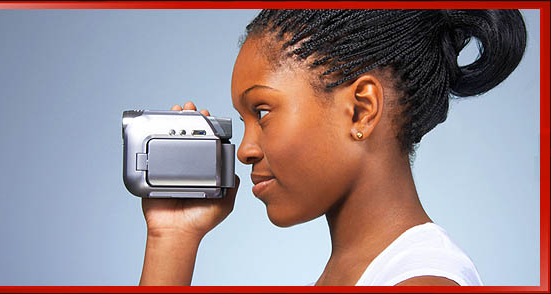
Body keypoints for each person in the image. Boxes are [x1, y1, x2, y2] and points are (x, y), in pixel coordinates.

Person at [138, 9, 527, 286]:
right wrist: (172, 237)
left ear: (361, 111)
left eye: (262, 111)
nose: (245, 150)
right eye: (244, 121)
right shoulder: (357, 272)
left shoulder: (422, 281)